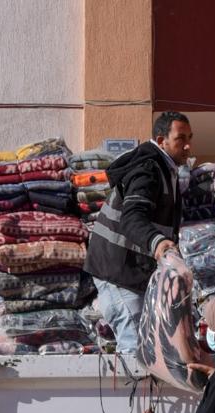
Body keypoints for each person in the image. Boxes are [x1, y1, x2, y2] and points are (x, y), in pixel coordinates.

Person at [84, 111, 191, 353]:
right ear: (161, 140)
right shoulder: (148, 170)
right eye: (180, 138)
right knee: (134, 346)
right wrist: (158, 242)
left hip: (130, 274)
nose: (188, 145)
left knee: (147, 346)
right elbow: (132, 218)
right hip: (117, 273)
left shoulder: (166, 170)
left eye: (190, 137)